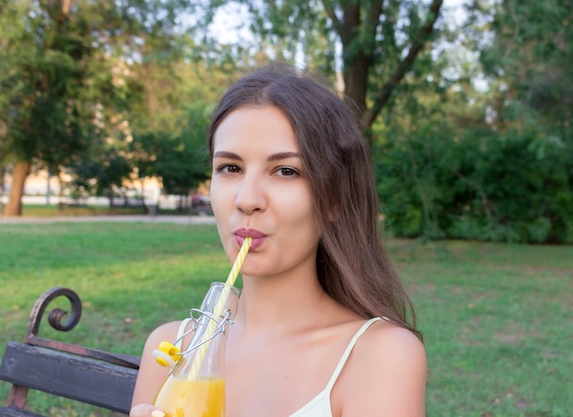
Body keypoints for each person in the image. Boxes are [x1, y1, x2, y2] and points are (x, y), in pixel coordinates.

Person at [130, 64, 427, 417]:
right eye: (230, 168)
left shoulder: (381, 356)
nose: (246, 198)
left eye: (286, 171)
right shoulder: (172, 349)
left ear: (333, 199)